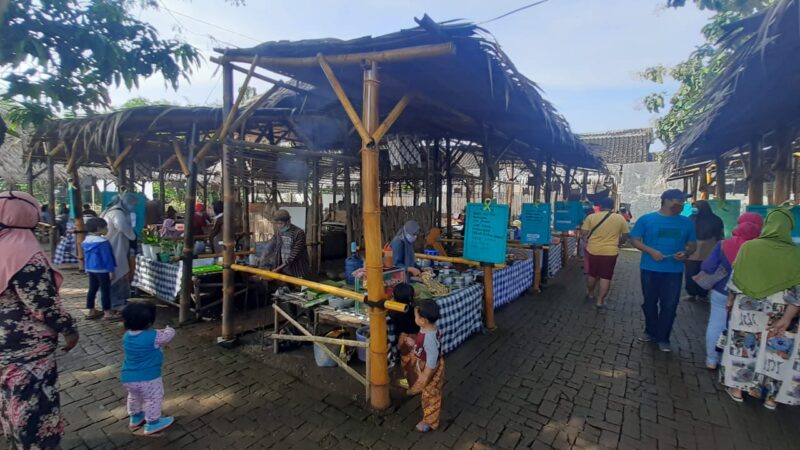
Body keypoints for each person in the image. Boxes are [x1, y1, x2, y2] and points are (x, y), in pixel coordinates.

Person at [0, 191, 79, 449]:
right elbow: (44, 305)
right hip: (26, 350)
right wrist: (69, 328)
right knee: (32, 406)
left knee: (9, 402)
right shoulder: (24, 253)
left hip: (4, 348)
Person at [720, 207, 800, 409]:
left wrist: (730, 300)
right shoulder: (796, 254)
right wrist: (789, 318)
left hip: (748, 307)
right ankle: (770, 397)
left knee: (744, 348)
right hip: (781, 309)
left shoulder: (750, 247)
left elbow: (736, 276)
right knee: (776, 353)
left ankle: (738, 389)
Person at [629, 189, 697, 353]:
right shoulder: (647, 219)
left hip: (674, 271)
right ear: (666, 200)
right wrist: (650, 251)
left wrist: (686, 253)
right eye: (678, 200)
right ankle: (650, 330)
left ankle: (663, 337)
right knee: (650, 302)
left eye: (682, 201)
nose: (681, 204)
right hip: (649, 269)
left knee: (670, 305)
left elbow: (692, 244)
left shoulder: (687, 222)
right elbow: (634, 240)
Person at [700, 212, 763, 370]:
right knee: (742, 329)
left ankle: (712, 360)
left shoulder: (723, 244)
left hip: (721, 291)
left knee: (716, 324)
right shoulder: (759, 248)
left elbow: (707, 267)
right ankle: (731, 363)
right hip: (747, 296)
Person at [121, 303, 176, 435]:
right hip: (149, 377)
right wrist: (170, 329)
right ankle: (152, 423)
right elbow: (168, 336)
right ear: (149, 322)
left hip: (128, 377)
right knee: (153, 398)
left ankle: (135, 418)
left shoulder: (127, 336)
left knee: (134, 396)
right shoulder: (154, 336)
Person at [580, 197, 629, 308]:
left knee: (592, 274)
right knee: (605, 277)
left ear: (600, 206)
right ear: (612, 207)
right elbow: (626, 235)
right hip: (610, 252)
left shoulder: (591, 217)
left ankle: (590, 293)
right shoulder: (620, 218)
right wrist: (619, 243)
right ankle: (600, 301)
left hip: (593, 250)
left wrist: (587, 237)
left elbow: (584, 232)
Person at [406, 300, 444, 433]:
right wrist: (415, 343)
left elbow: (432, 357)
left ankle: (430, 421)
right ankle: (417, 388)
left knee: (431, 394)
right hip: (425, 364)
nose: (414, 318)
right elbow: (425, 346)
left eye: (416, 316)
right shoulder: (429, 328)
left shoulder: (429, 337)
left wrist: (426, 375)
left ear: (423, 320)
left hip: (430, 367)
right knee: (422, 384)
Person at [101, 193, 138, 310]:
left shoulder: (109, 211)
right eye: (133, 204)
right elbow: (122, 227)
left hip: (112, 245)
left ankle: (114, 302)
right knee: (118, 273)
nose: (133, 207)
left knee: (116, 273)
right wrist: (133, 236)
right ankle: (117, 304)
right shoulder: (117, 213)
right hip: (115, 246)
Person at [684, 200, 724, 302]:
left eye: (697, 207)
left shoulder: (716, 220)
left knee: (705, 273)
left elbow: (720, 235)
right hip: (693, 250)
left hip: (709, 250)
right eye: (694, 206)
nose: (695, 209)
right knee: (690, 273)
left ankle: (702, 295)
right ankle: (691, 293)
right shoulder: (690, 219)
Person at [82, 217, 118, 321]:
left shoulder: (86, 241)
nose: (107, 229)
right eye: (105, 227)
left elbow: (86, 257)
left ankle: (91, 310)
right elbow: (107, 258)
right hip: (103, 269)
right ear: (98, 229)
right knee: (105, 290)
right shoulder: (103, 242)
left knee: (92, 289)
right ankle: (107, 312)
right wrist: (111, 270)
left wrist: (86, 268)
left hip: (91, 269)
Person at [392, 283, 420, 389]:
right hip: (417, 336)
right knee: (416, 359)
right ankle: (417, 378)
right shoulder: (415, 309)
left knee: (406, 360)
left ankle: (411, 382)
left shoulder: (394, 311)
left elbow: (395, 325)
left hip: (405, 337)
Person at [268, 209, 310, 279]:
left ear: (288, 221)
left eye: (281, 223)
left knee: (298, 289)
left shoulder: (299, 233)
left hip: (298, 270)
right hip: (285, 269)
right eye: (277, 224)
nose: (279, 226)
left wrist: (276, 270)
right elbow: (274, 248)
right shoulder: (280, 232)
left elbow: (292, 256)